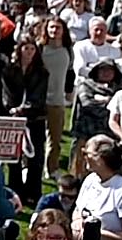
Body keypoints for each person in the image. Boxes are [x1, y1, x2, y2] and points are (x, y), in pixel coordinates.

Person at [3, 33, 49, 207]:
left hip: (34, 118)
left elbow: (39, 96)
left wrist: (25, 109)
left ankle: (33, 192)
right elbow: (6, 92)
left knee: (35, 157)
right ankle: (16, 191)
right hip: (13, 118)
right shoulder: (9, 69)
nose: (29, 52)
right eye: (26, 48)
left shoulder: (42, 72)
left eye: (32, 49)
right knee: (13, 156)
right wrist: (12, 108)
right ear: (19, 49)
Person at [76, 135, 122, 240]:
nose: (84, 157)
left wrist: (97, 232)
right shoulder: (90, 180)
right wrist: (77, 222)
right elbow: (78, 210)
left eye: (86, 153)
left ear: (102, 158)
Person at [75, 60, 122, 178]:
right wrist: (111, 104)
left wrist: (104, 101)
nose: (106, 73)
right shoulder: (86, 85)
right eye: (102, 69)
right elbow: (88, 105)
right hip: (87, 133)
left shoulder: (121, 90)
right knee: (82, 169)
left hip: (111, 136)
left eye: (109, 70)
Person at [44, 17, 77, 171]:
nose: (54, 31)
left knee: (55, 138)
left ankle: (51, 168)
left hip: (57, 99)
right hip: (39, 99)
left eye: (57, 28)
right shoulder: (39, 48)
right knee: (34, 138)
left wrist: (69, 92)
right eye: (51, 27)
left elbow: (70, 73)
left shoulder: (68, 50)